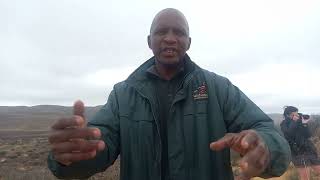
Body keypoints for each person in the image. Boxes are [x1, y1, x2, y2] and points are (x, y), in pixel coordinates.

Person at [47, 8, 290, 180]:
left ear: (189, 41)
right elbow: (101, 146)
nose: (170, 38)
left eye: (179, 32)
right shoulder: (123, 95)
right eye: (162, 32)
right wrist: (71, 157)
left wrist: (266, 146)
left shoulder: (218, 88)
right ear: (149, 41)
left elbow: (266, 130)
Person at [280, 106, 320, 180]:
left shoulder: (300, 121)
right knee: (305, 177)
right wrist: (294, 122)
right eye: (294, 114)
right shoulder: (284, 124)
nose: (296, 116)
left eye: (297, 114)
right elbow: (289, 133)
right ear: (288, 115)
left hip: (309, 150)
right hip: (298, 152)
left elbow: (308, 135)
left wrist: (304, 124)